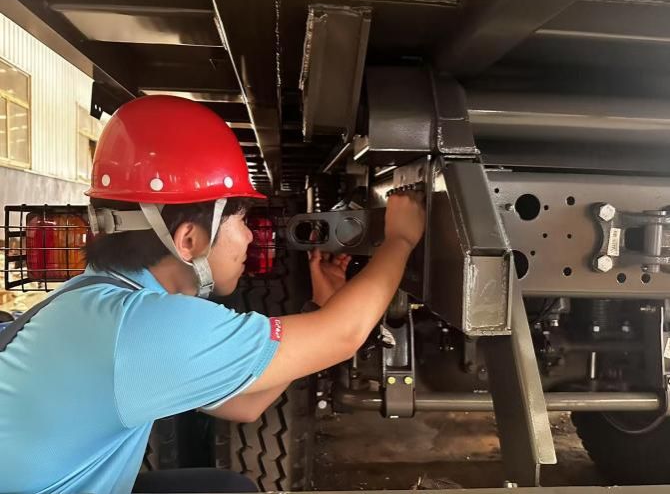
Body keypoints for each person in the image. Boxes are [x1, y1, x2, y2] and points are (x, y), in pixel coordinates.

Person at [0, 95, 425, 493]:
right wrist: (400, 240)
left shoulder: (99, 299)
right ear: (188, 239)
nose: (249, 239)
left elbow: (243, 405)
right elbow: (344, 335)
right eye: (240, 221)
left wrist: (317, 308)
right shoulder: (145, 328)